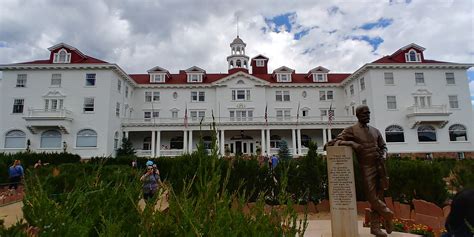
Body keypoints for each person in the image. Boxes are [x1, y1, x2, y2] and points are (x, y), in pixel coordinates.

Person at [326, 105, 393, 237]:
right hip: (366, 166)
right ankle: (389, 215)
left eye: (368, 113)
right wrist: (352, 144)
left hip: (380, 166)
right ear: (357, 115)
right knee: (371, 197)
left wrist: (383, 155)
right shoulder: (352, 130)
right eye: (364, 114)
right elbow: (336, 141)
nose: (367, 116)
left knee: (379, 196)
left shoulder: (375, 131)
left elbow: (383, 146)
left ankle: (375, 228)